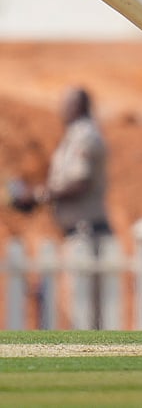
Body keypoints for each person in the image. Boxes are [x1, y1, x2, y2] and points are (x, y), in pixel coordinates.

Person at [11, 87, 113, 329]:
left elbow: (80, 181)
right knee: (85, 316)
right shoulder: (73, 136)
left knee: (85, 316)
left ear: (80, 106)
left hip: (86, 236)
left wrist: (38, 196)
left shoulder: (85, 135)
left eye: (67, 104)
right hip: (76, 235)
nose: (61, 109)